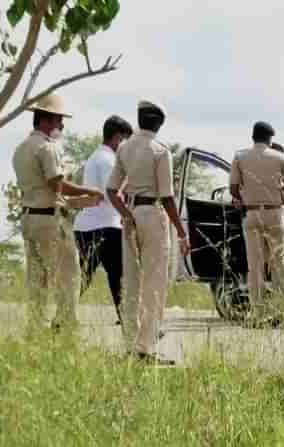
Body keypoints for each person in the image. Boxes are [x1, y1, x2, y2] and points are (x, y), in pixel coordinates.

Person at [106, 100, 190, 365]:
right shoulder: (160, 151)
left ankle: (131, 344)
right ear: (159, 122)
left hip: (130, 216)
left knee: (131, 281)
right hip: (153, 215)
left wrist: (126, 215)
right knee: (154, 283)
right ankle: (147, 349)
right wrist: (181, 230)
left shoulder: (124, 148)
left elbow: (111, 190)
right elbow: (166, 196)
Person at [12, 93, 103, 329]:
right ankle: (64, 327)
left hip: (30, 218)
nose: (61, 125)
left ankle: (36, 327)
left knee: (37, 280)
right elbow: (57, 185)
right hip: (49, 223)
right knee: (69, 277)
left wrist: (80, 200)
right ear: (48, 120)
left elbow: (44, 193)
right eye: (59, 120)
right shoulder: (47, 148)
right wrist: (89, 190)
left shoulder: (20, 149)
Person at [230, 122, 284, 315]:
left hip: (251, 214)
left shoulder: (240, 157)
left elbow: (233, 189)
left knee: (255, 265)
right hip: (274, 213)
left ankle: (258, 311)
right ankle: (281, 309)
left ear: (253, 137)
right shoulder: (280, 157)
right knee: (279, 263)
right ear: (270, 139)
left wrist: (246, 197)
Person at [74, 115, 133, 325]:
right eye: (126, 141)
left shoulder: (95, 157)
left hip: (87, 225)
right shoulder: (109, 160)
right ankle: (130, 321)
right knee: (120, 277)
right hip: (106, 226)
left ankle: (61, 318)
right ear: (118, 138)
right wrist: (130, 214)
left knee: (83, 277)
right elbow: (112, 193)